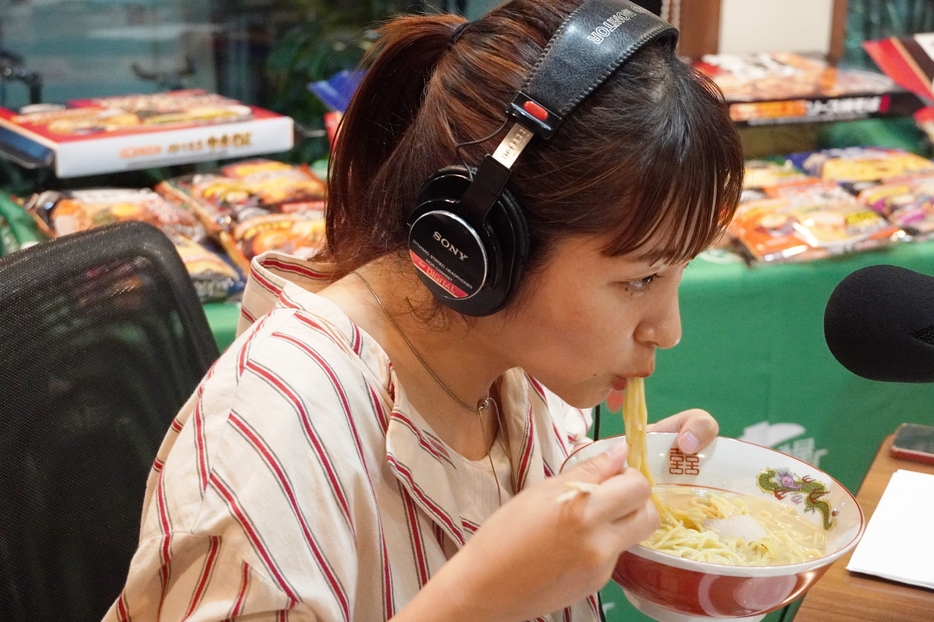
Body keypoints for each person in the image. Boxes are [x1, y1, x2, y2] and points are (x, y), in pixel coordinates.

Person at [103, 0, 743, 620]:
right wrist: (475, 603)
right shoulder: (271, 430)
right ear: (482, 245)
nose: (669, 329)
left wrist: (612, 489)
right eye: (641, 279)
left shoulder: (511, 370)